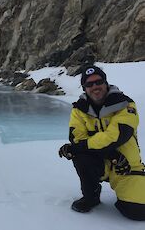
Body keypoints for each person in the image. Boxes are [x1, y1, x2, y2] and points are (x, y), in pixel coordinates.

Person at [59, 65, 145, 220]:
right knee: (81, 158)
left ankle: (131, 191)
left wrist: (80, 147)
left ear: (105, 83)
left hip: (125, 165)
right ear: (84, 88)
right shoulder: (79, 109)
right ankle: (91, 196)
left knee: (138, 212)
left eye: (98, 82)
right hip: (104, 162)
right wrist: (111, 154)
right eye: (89, 84)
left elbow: (117, 135)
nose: (95, 87)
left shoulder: (126, 104)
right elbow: (77, 137)